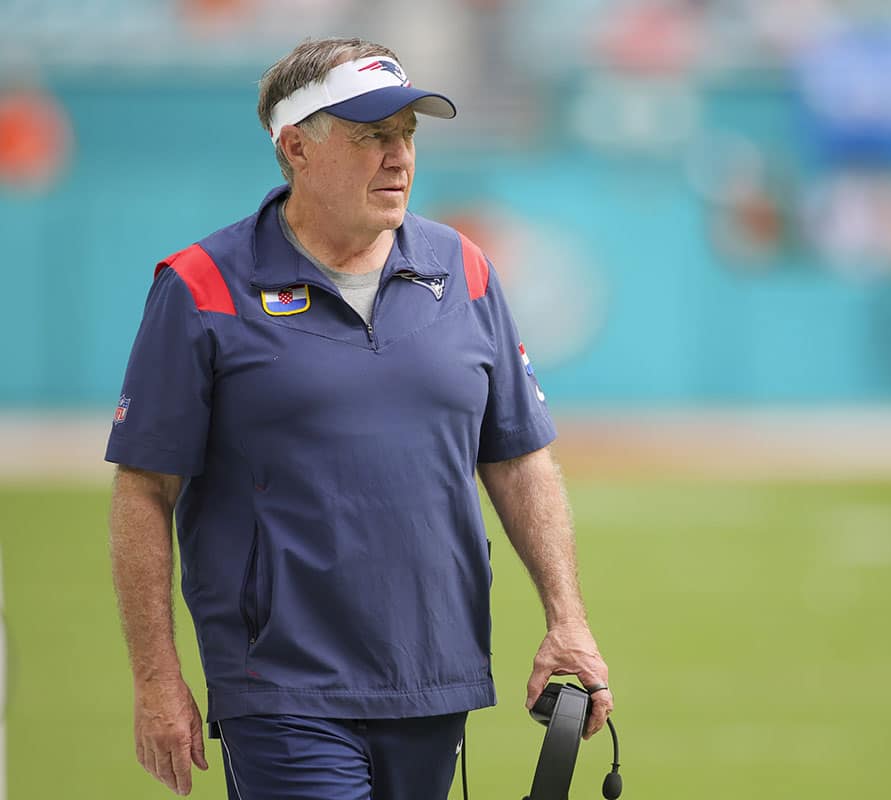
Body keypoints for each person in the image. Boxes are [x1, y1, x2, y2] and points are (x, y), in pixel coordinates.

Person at [105, 36, 612, 799]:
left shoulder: (463, 269)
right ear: (296, 146)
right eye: (371, 135)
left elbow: (518, 459)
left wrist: (566, 619)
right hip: (280, 688)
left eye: (406, 133)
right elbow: (144, 491)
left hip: (433, 678)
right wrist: (157, 677)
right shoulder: (202, 287)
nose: (399, 156)